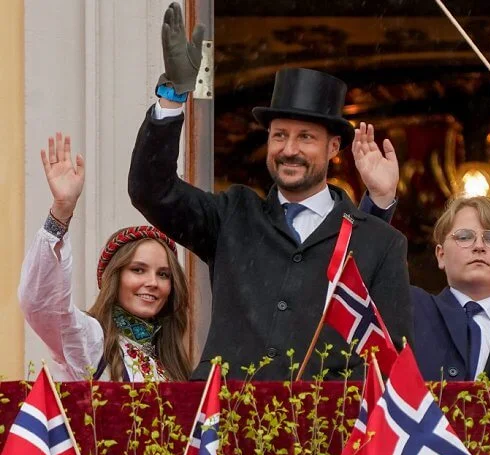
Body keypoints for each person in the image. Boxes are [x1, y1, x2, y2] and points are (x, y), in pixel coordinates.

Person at [128, 3, 411, 380]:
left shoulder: (379, 241)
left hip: (319, 430)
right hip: (223, 421)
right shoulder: (232, 215)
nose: (289, 149)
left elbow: (386, 362)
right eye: (279, 135)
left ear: (333, 149)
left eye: (306, 137)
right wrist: (171, 99)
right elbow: (151, 190)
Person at [352, 123, 490, 381]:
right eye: (464, 237)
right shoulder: (410, 311)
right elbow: (354, 283)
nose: (479, 246)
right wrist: (379, 200)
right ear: (440, 254)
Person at [19, 133, 192, 382]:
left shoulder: (172, 364)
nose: (153, 282)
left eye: (163, 274)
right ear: (114, 278)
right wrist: (61, 212)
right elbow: (42, 303)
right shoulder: (90, 343)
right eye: (138, 270)